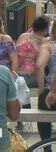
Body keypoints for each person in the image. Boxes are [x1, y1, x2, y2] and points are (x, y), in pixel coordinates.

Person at [36, 22, 56, 150]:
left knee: (42, 116)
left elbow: (39, 66)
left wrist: (42, 89)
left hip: (51, 92)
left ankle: (46, 146)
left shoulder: (48, 46)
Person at [16, 16, 50, 90]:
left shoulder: (23, 36)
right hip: (32, 77)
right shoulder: (45, 43)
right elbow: (40, 66)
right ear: (45, 29)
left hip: (16, 74)